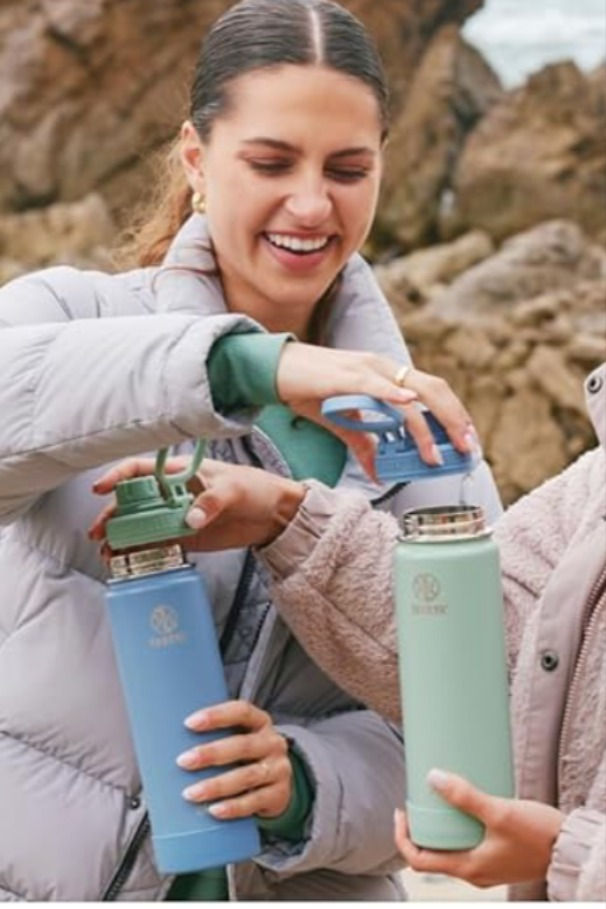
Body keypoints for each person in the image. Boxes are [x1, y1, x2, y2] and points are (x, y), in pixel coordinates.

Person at [0, 0, 503, 901]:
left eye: (349, 168)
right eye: (271, 162)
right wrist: (258, 366)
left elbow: (469, 730)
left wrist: (304, 783)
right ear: (197, 159)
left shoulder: (426, 441)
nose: (312, 204)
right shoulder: (74, 318)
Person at [95, 363, 606, 902]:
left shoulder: (438, 458)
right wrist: (289, 518)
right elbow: (483, 648)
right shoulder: (594, 484)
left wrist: (568, 856)